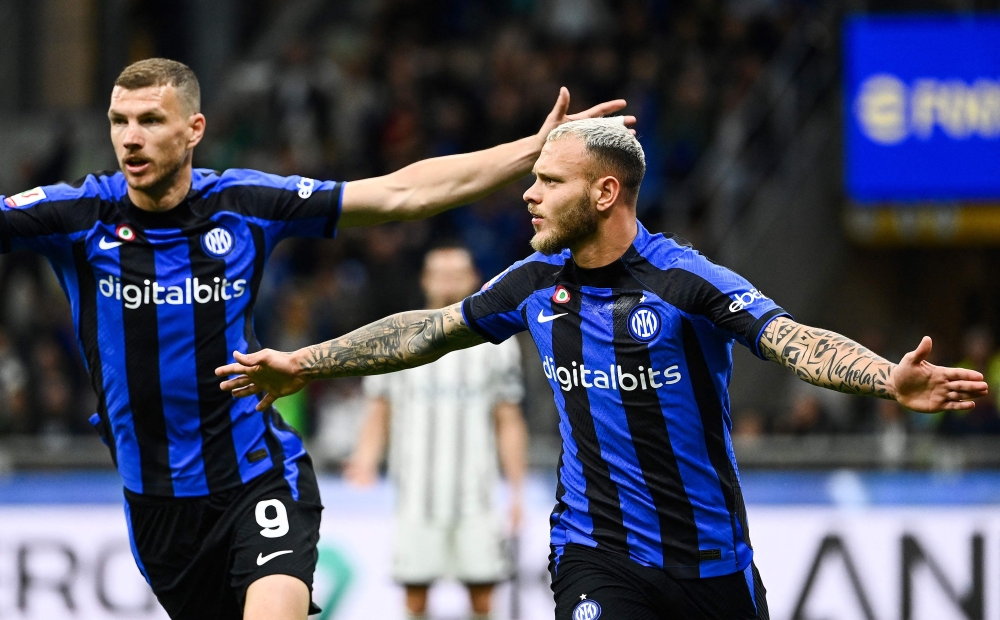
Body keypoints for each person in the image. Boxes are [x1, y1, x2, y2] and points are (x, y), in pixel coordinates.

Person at [217, 118, 987, 620]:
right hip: (596, 557)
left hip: (712, 563)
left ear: (605, 191)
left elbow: (790, 340)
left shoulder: (686, 281)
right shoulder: (529, 283)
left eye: (549, 181)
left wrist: (886, 377)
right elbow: (429, 330)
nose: (529, 194)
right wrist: (306, 363)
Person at [0, 58, 632, 620]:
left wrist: (530, 151)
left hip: (256, 475)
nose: (131, 138)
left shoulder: (241, 203)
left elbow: (400, 194)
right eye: (119, 121)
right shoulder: (79, 215)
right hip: (157, 503)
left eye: (150, 120)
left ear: (193, 130)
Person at [344, 244, 527, 620]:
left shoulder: (497, 345)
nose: (447, 281)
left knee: (482, 596)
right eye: (440, 273)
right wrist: (364, 460)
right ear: (425, 279)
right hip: (417, 495)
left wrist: (517, 490)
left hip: (475, 496)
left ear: (472, 279)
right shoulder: (397, 339)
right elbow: (379, 409)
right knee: (414, 596)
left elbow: (508, 419)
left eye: (456, 273)